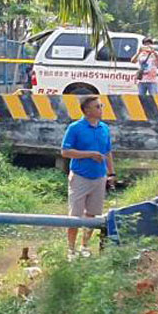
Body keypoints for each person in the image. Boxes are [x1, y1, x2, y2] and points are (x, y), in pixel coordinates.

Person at [60, 95, 114, 254]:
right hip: (80, 177)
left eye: (101, 106)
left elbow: (108, 152)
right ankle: (71, 249)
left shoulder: (104, 128)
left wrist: (112, 173)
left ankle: (84, 246)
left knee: (92, 214)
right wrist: (89, 154)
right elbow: (65, 151)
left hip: (99, 177)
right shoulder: (75, 128)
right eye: (97, 106)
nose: (101, 109)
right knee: (75, 216)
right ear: (87, 111)